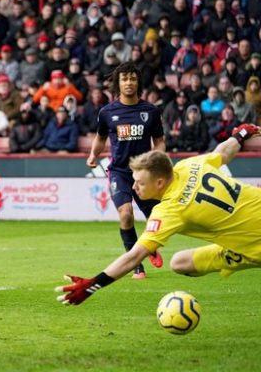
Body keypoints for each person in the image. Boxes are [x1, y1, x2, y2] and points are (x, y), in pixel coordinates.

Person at [56, 124, 261, 305]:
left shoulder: (169, 210)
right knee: (180, 262)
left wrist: (93, 284)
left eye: (140, 182)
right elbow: (223, 152)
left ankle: (245, 253)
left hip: (255, 244)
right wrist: (240, 134)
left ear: (160, 183)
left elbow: (134, 257)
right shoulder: (189, 165)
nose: (134, 186)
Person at [86, 62, 165, 279]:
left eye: (132, 78)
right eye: (124, 79)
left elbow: (159, 141)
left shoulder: (150, 111)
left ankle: (148, 245)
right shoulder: (107, 112)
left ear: (137, 81)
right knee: (126, 214)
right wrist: (94, 154)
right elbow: (101, 138)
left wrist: (158, 159)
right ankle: (136, 265)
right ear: (118, 83)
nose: (128, 82)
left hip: (144, 173)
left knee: (155, 218)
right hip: (119, 172)